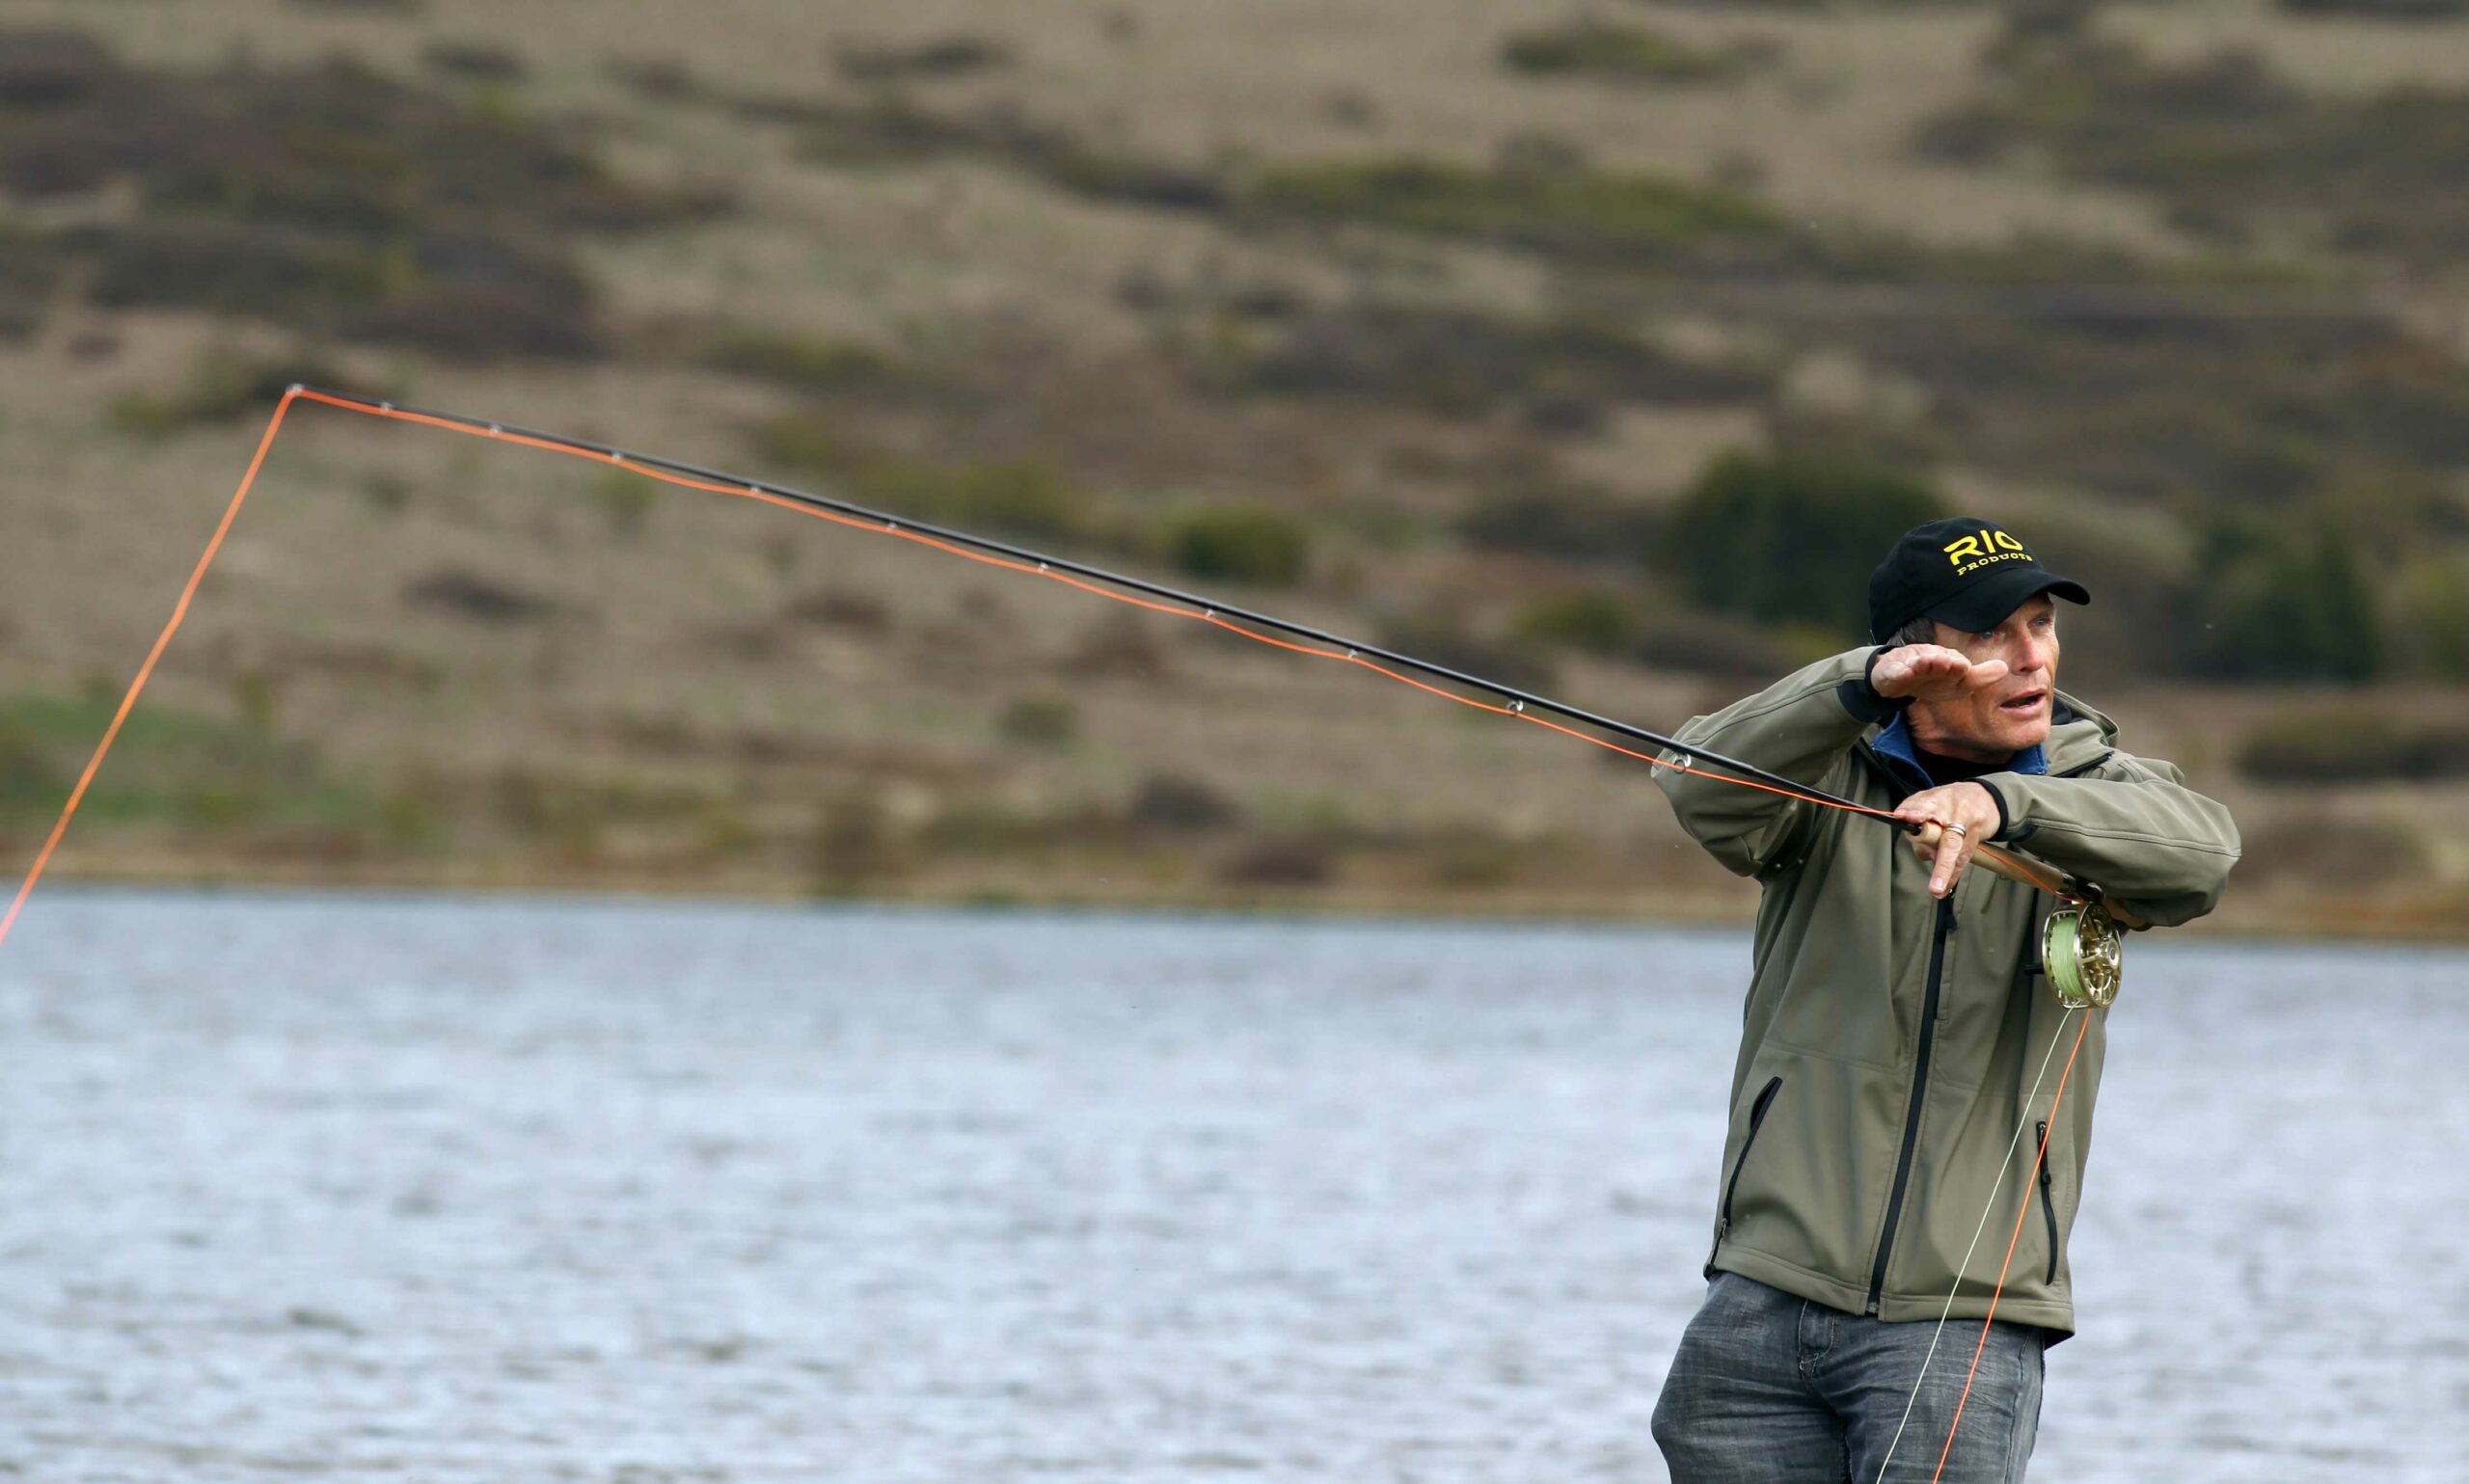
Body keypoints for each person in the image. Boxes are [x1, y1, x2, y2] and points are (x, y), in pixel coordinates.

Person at [1645, 517, 2239, 1482]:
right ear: (1913, 659)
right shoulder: (1816, 782)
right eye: (1989, 634)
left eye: (2041, 625)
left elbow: (2202, 855)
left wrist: (2007, 807)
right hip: (1761, 1297)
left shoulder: (2106, 794)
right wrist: (1851, 686)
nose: (2027, 655)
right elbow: (1696, 783)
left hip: (1964, 1321)